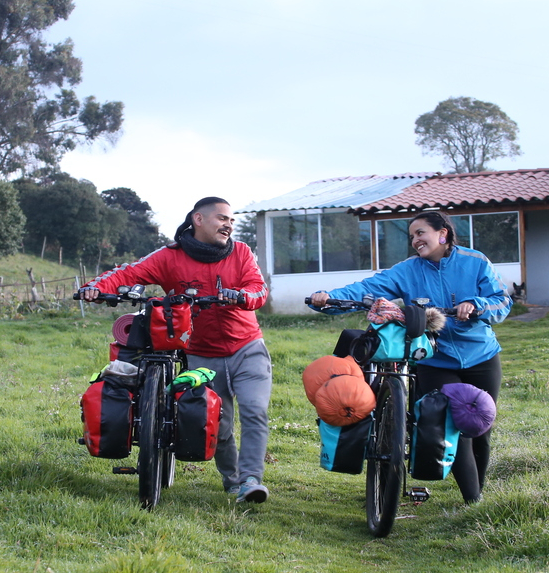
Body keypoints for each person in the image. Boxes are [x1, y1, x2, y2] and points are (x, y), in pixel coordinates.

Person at [79, 197, 274, 503]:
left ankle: (251, 479)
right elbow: (129, 273)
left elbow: (258, 289)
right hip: (200, 353)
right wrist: (94, 288)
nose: (228, 225)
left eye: (231, 221)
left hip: (247, 347)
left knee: (255, 412)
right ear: (198, 219)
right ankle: (234, 481)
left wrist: (240, 297)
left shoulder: (241, 252)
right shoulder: (170, 256)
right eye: (222, 218)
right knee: (219, 421)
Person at [308, 211, 510, 503]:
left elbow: (502, 301)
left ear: (443, 233)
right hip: (434, 359)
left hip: (481, 356)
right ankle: (473, 501)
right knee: (454, 425)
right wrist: (328, 298)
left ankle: (476, 492)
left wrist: (476, 305)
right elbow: (366, 289)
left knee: (479, 427)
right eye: (412, 236)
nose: (415, 240)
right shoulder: (408, 270)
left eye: (420, 233)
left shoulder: (475, 261)